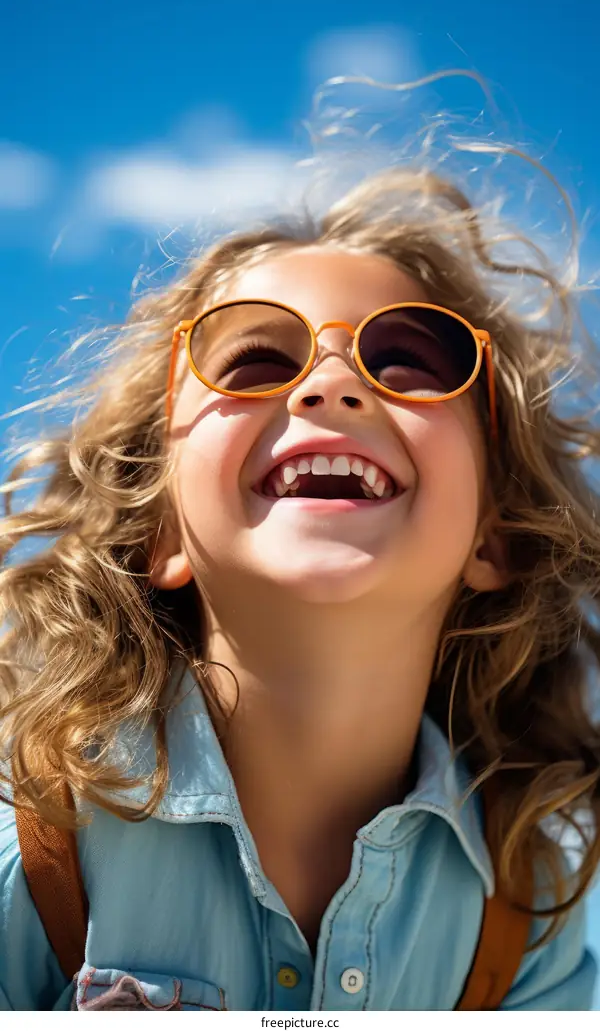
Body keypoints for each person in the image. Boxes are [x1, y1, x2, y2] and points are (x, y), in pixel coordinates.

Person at [0, 132, 599, 1010]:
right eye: (253, 360)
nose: (329, 384)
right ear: (158, 526)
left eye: (410, 361)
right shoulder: (28, 841)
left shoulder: (526, 918)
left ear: (494, 537)